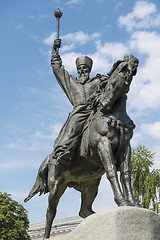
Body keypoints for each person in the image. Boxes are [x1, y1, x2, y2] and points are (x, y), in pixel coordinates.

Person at [51, 39, 108, 167]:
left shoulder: (97, 81)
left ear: (89, 69)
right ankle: (63, 151)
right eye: (80, 68)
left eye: (85, 68)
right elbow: (57, 68)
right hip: (79, 113)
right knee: (72, 126)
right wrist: (55, 50)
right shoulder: (71, 83)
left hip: (95, 112)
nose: (82, 70)